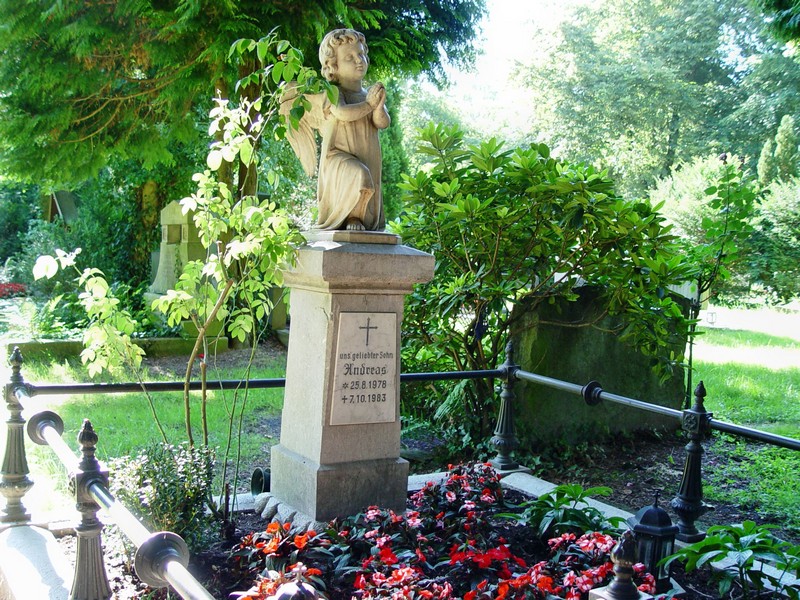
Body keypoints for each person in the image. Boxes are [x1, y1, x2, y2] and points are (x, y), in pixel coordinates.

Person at [283, 29, 390, 231]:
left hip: (366, 155)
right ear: (334, 66)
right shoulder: (332, 92)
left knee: (366, 180)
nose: (359, 60)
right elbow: (342, 113)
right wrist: (369, 105)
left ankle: (359, 217)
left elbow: (382, 123)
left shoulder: (367, 94)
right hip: (338, 156)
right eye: (349, 57)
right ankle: (350, 217)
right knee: (359, 175)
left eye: (361, 54)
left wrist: (378, 106)